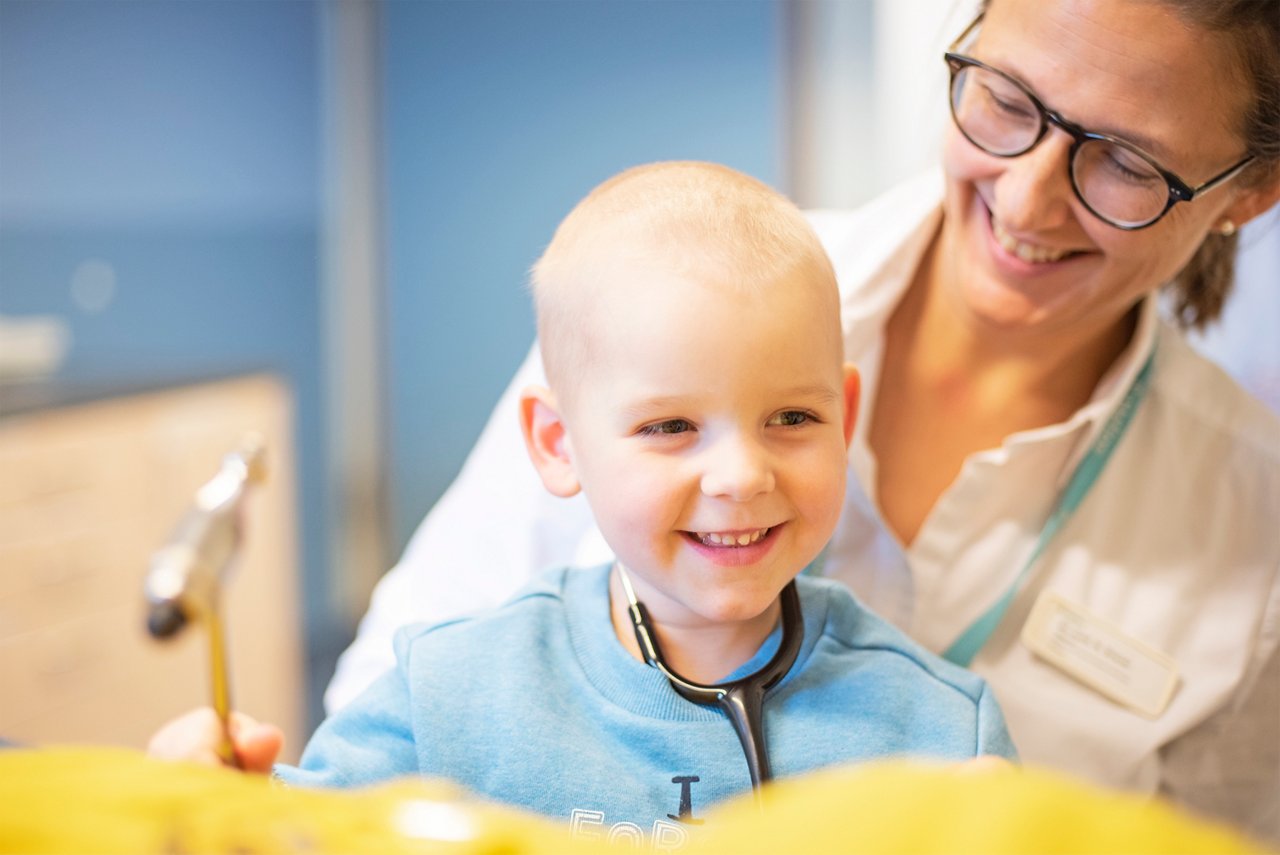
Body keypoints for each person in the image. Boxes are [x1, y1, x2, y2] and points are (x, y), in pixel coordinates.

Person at [327, 0, 1280, 842]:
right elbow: (383, 751)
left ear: (1247, 192)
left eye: (1126, 162)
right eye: (1009, 101)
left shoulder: (1254, 523)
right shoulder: (646, 300)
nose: (1026, 197)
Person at [151, 162, 1017, 839]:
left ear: (846, 418)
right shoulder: (445, 696)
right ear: (558, 445)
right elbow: (290, 837)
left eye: (793, 416)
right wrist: (204, 807)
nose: (741, 476)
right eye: (672, 425)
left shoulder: (942, 731)